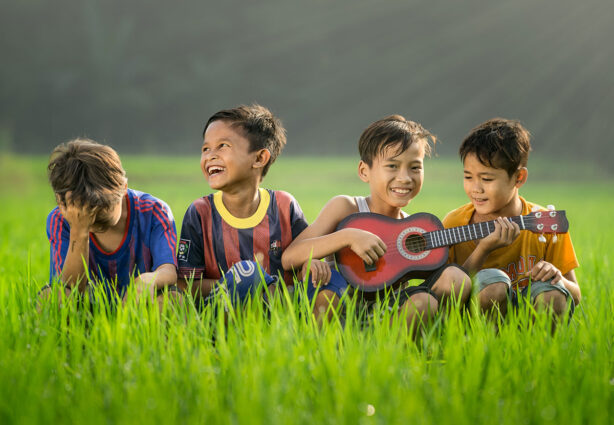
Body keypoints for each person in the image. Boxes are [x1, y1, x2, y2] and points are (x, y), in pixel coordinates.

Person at [282, 115, 471, 331]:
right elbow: (289, 257)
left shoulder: (412, 228)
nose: (405, 178)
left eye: (415, 168)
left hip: (389, 315)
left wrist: (486, 244)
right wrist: (349, 236)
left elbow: (443, 282)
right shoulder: (347, 207)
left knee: (451, 281)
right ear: (364, 171)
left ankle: (417, 345)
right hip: (342, 311)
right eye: (392, 166)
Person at [177, 104, 346, 310]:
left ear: (259, 158)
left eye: (223, 146)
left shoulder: (284, 205)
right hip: (225, 314)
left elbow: (303, 261)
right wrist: (250, 282)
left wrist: (312, 265)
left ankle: (317, 338)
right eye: (205, 148)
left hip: (283, 310)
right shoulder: (200, 212)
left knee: (332, 279)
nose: (210, 155)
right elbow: (186, 284)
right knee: (249, 272)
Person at [443, 118, 581, 321]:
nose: (475, 188)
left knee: (552, 294)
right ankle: (490, 350)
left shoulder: (545, 224)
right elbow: (445, 296)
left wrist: (558, 278)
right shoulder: (454, 223)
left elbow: (575, 295)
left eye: (487, 179)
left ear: (519, 178)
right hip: (473, 325)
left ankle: (539, 351)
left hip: (528, 318)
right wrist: (483, 249)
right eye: (468, 177)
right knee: (493, 286)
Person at [43, 138, 178, 308]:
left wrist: (148, 280)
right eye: (82, 212)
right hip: (88, 305)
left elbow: (169, 270)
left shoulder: (153, 211)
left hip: (141, 303)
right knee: (52, 298)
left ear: (123, 187)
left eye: (99, 211)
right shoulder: (60, 219)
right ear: (62, 202)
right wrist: (79, 230)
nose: (90, 218)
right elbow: (70, 287)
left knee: (173, 299)